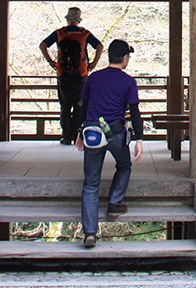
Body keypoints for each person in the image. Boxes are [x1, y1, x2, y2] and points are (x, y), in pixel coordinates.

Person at [76, 38, 143, 249]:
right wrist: (139, 139)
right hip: (115, 133)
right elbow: (134, 112)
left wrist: (79, 131)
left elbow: (83, 106)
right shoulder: (128, 82)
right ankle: (114, 202)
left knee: (91, 183)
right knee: (124, 165)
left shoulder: (93, 78)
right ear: (124, 59)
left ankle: (89, 232)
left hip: (93, 133)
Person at [39, 7, 104, 145]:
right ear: (78, 20)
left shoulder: (59, 33)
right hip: (81, 74)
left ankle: (66, 136)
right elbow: (100, 46)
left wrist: (51, 62)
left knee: (65, 106)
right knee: (79, 105)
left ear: (68, 19)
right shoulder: (85, 34)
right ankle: (77, 135)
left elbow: (43, 45)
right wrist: (93, 64)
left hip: (63, 73)